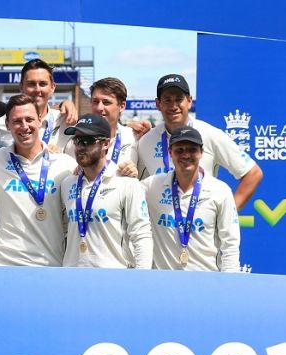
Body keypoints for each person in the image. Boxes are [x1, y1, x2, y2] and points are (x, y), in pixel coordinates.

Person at [136, 74, 263, 209]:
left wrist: (227, 214)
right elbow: (135, 186)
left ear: (189, 101)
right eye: (167, 100)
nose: (173, 106)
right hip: (161, 229)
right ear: (158, 104)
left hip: (202, 228)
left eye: (179, 99)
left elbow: (253, 173)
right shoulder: (146, 141)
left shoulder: (210, 134)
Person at [0, 94, 78, 266]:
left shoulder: (65, 164)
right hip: (6, 265)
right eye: (17, 121)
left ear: (40, 120)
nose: (24, 126)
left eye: (29, 119)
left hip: (51, 264)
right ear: (7, 125)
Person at [142, 126, 240, 272]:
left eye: (192, 150)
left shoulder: (220, 190)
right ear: (170, 153)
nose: (186, 155)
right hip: (164, 284)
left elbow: (230, 244)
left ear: (201, 152)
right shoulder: (152, 186)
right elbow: (122, 193)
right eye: (179, 150)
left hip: (206, 283)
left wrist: (230, 284)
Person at [61, 114, 152, 268]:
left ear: (106, 144)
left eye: (87, 141)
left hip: (113, 278)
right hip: (73, 278)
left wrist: (142, 279)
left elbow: (141, 234)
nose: (80, 147)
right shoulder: (67, 183)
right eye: (76, 141)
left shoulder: (126, 182)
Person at [0, 58, 85, 152]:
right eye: (31, 84)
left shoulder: (65, 121)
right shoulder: (2, 124)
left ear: (52, 87)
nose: (37, 90)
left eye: (42, 84)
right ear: (21, 87)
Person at [65, 77, 139, 177]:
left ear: (122, 106)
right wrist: (64, 103)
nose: (99, 108)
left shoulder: (135, 138)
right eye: (95, 101)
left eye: (106, 102)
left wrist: (135, 176)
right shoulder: (73, 142)